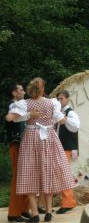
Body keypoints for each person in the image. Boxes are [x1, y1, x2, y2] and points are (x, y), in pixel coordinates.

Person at [6, 78, 75, 223]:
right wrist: (57, 118)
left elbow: (10, 118)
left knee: (29, 175)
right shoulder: (52, 103)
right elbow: (60, 120)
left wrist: (29, 115)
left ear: (30, 90)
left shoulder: (25, 104)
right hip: (48, 138)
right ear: (42, 89)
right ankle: (48, 212)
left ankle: (35, 214)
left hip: (31, 138)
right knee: (48, 174)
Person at [5, 83, 30, 222]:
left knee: (25, 177)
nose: (24, 92)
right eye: (21, 90)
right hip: (17, 146)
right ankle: (13, 213)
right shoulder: (12, 106)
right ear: (14, 93)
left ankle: (23, 209)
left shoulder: (21, 105)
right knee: (18, 178)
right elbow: (11, 117)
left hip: (23, 145)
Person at [56, 90, 80, 214]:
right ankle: (67, 201)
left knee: (64, 174)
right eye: (58, 99)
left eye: (62, 99)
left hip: (66, 147)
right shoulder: (58, 112)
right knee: (62, 174)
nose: (60, 101)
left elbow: (76, 126)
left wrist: (65, 120)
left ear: (67, 99)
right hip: (60, 147)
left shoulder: (71, 113)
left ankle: (68, 202)